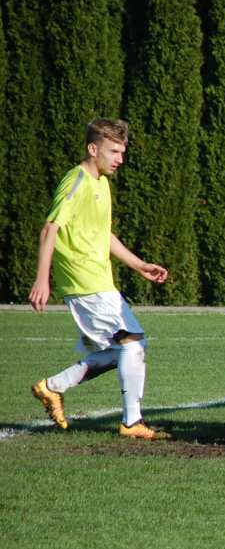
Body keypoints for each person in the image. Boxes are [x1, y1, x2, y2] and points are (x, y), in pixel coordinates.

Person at [28, 118, 169, 440]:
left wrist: (139, 265)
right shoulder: (75, 181)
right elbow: (51, 228)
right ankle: (132, 423)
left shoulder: (101, 183)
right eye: (113, 151)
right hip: (85, 282)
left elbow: (102, 234)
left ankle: (52, 387)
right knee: (133, 344)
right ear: (93, 149)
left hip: (98, 281)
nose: (120, 158)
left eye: (122, 151)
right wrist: (42, 279)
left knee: (125, 349)